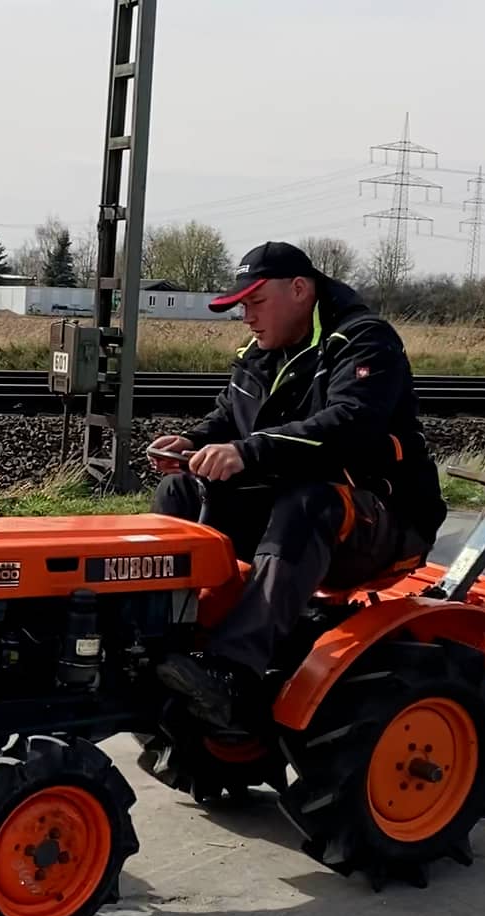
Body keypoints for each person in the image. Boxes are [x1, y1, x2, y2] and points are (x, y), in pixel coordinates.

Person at [147, 241, 447, 735]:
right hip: (289, 508)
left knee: (307, 500)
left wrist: (248, 451)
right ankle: (172, 635)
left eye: (255, 302)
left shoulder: (364, 342)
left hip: (381, 520)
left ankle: (232, 668)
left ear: (300, 289)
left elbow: (351, 423)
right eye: (241, 306)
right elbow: (230, 416)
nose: (246, 316)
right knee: (180, 490)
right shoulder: (261, 353)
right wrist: (194, 440)